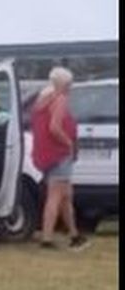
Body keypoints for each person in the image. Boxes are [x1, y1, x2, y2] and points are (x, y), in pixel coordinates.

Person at [31, 66, 89, 251]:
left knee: (66, 196)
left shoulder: (42, 99)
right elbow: (54, 127)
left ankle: (74, 235)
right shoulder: (60, 99)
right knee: (55, 196)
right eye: (69, 83)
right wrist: (69, 143)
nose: (70, 87)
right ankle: (47, 238)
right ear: (63, 83)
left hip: (44, 154)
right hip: (59, 153)